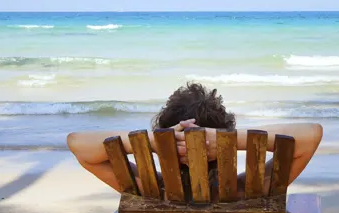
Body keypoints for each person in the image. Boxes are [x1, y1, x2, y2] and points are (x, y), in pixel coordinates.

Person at [66, 82, 323, 196]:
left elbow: (78, 143)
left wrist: (155, 144)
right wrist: (232, 141)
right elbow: (311, 135)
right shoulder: (251, 189)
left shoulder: (148, 190)